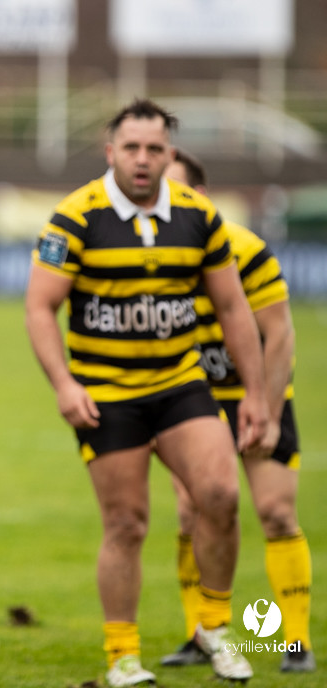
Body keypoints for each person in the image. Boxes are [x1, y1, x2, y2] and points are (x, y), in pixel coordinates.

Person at [24, 99, 271, 687]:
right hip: (105, 393)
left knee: (220, 495)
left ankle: (212, 627)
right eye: (131, 148)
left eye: (154, 149)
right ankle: (123, 655)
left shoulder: (197, 215)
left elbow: (234, 308)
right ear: (111, 153)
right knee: (127, 523)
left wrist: (257, 394)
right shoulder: (75, 216)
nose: (142, 159)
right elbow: (40, 307)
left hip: (180, 384)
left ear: (170, 155)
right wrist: (64, 385)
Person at [158, 149, 314, 673]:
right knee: (188, 512)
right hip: (194, 400)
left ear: (199, 198)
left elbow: (280, 334)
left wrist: (265, 410)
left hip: (256, 393)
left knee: (275, 511)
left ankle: (295, 642)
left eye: (175, 192)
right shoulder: (149, 252)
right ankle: (200, 637)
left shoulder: (244, 248)